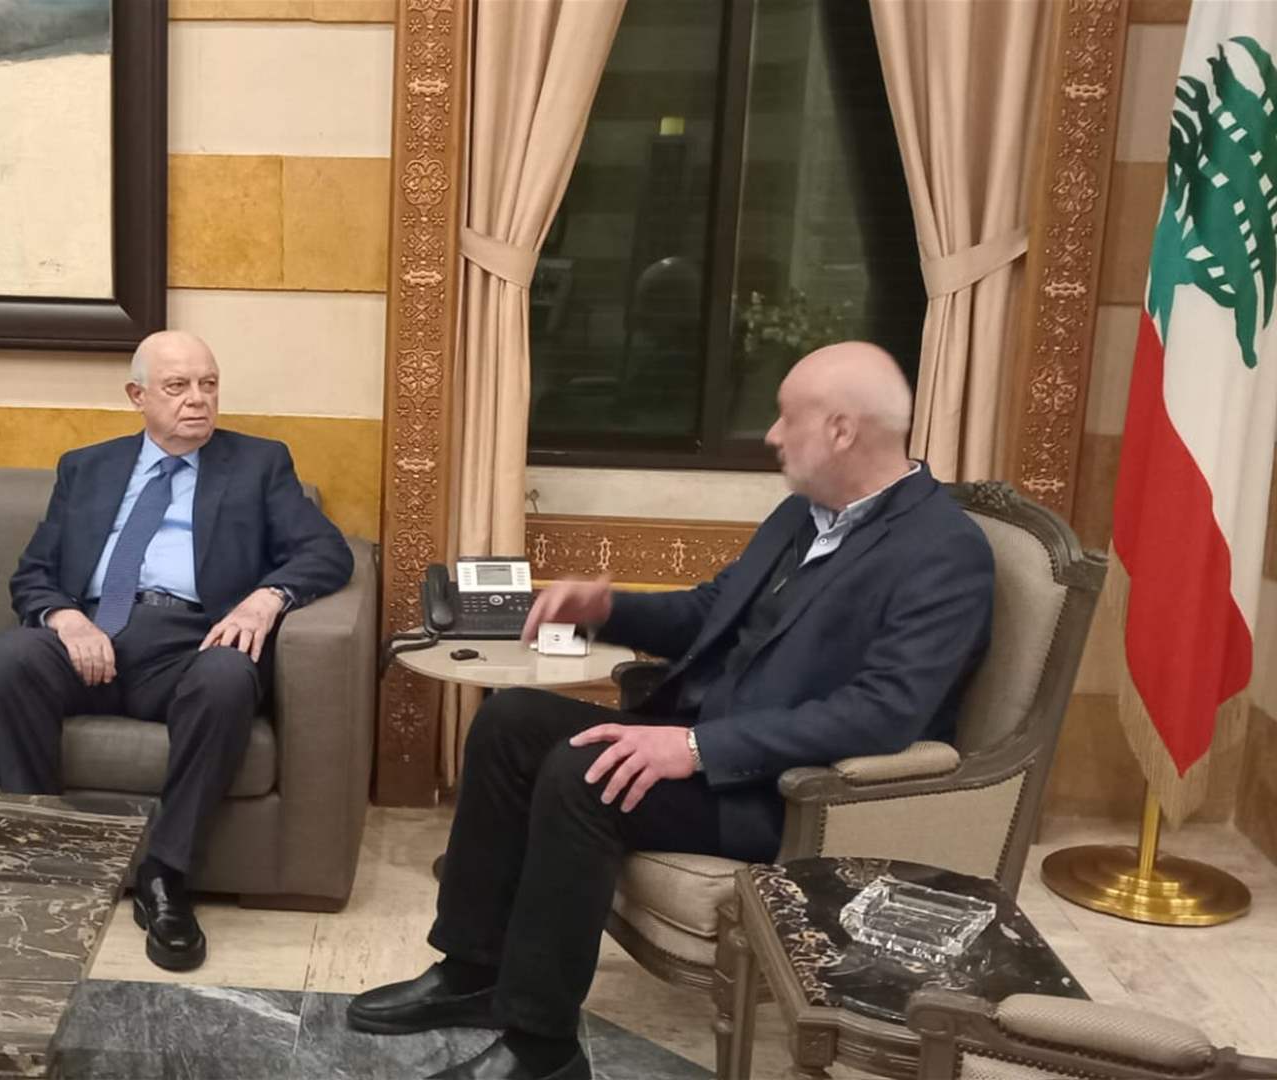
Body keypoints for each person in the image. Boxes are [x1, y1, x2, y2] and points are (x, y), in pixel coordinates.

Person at [349, 342, 995, 1080]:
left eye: (786, 418)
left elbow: (883, 713)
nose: (772, 436)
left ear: (841, 430)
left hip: (787, 792)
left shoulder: (944, 551)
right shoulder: (803, 515)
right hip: (710, 745)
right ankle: (473, 970)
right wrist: (606, 610)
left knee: (584, 774)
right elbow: (713, 611)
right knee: (509, 722)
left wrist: (695, 749)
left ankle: (541, 1047)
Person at [0, 330, 353, 972]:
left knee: (229, 677)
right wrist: (66, 618)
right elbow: (33, 573)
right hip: (93, 636)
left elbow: (328, 551)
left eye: (208, 384)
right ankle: (47, 850)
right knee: (6, 659)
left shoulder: (260, 464)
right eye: (177, 386)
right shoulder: (86, 468)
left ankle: (166, 874)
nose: (197, 400)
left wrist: (266, 599)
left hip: (190, 641)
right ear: (138, 396)